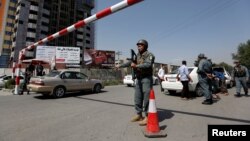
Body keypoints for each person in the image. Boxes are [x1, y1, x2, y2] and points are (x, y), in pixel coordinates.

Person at [116, 39, 155, 126]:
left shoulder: (150, 55)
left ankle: (148, 116)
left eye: (140, 45)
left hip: (146, 79)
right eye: (138, 45)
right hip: (139, 79)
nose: (138, 46)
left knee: (146, 98)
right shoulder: (137, 55)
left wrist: (136, 65)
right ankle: (139, 115)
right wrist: (120, 65)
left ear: (145, 46)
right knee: (137, 97)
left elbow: (148, 64)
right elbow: (130, 63)